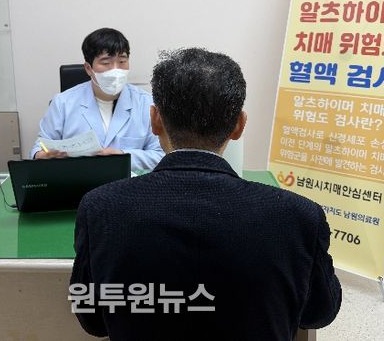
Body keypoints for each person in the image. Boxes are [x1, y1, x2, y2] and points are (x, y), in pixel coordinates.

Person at [70, 48, 341, 340]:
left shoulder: (100, 208)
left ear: (155, 120)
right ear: (239, 125)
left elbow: (93, 320)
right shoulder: (299, 216)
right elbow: (319, 313)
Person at [30, 28, 163, 171]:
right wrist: (42, 155)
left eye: (122, 61)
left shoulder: (146, 103)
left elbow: (161, 155)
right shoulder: (63, 103)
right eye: (106, 63)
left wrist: (123, 156)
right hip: (77, 179)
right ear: (88, 68)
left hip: (128, 181)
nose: (115, 70)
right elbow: (39, 147)